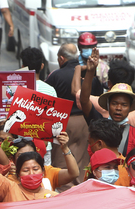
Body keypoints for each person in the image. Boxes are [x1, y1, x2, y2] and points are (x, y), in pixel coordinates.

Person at [80, 49, 135, 158]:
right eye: (114, 103)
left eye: (124, 105)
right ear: (108, 105)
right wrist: (90, 71)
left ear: (130, 108)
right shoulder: (98, 125)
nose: (118, 108)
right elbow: (84, 100)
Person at [45, 43, 96, 186]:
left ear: (61, 58)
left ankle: (64, 188)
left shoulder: (56, 75)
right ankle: (81, 185)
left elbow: (46, 98)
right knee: (82, 157)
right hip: (86, 122)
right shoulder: (88, 73)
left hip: (62, 123)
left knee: (62, 156)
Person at [0, 130, 59, 202]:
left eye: (35, 169)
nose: (31, 173)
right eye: (26, 170)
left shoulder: (54, 197)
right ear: (18, 174)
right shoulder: (9, 189)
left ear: (43, 172)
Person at [86, 119, 130, 186]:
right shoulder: (128, 166)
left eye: (90, 143)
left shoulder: (122, 171)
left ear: (99, 144)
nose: (89, 147)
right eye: (107, 167)